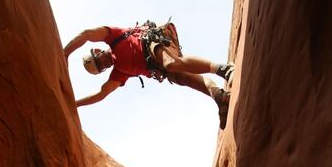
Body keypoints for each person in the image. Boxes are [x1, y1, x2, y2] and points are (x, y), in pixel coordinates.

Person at [64, 21, 235, 129]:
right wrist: (76, 104)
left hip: (153, 40)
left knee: (171, 63)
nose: (103, 64)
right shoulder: (119, 72)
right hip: (157, 64)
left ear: (97, 51)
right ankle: (218, 95)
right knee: (181, 77)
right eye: (101, 67)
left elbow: (87, 34)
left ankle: (224, 69)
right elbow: (102, 93)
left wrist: (65, 53)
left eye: (99, 61)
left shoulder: (114, 37)